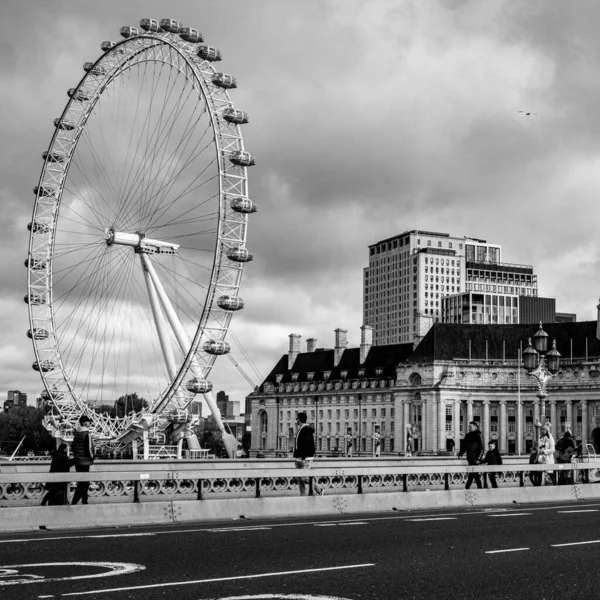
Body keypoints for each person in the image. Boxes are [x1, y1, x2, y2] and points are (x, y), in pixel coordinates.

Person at [293, 412, 323, 496]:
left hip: (305, 458)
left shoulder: (306, 429)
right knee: (299, 479)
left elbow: (309, 445)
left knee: (304, 477)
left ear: (299, 419)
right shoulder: (301, 429)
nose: (296, 420)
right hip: (299, 457)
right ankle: (302, 496)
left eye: (297, 418)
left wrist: (304, 456)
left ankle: (319, 489)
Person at [71, 414, 95, 505]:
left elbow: (73, 446)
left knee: (82, 481)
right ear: (85, 423)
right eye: (89, 422)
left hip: (77, 461)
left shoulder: (76, 433)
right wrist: (92, 458)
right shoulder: (87, 434)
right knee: (84, 482)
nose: (90, 423)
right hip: (85, 461)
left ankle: (84, 500)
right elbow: (89, 448)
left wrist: (77, 456)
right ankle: (76, 500)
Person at [458, 421, 484, 489]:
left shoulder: (478, 435)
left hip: (475, 458)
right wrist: (461, 453)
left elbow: (482, 448)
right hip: (470, 458)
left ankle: (468, 487)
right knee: (473, 473)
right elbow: (464, 446)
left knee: (474, 473)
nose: (469, 428)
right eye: (468, 427)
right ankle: (478, 488)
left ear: (475, 427)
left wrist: (478, 458)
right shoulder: (467, 435)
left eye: (470, 427)